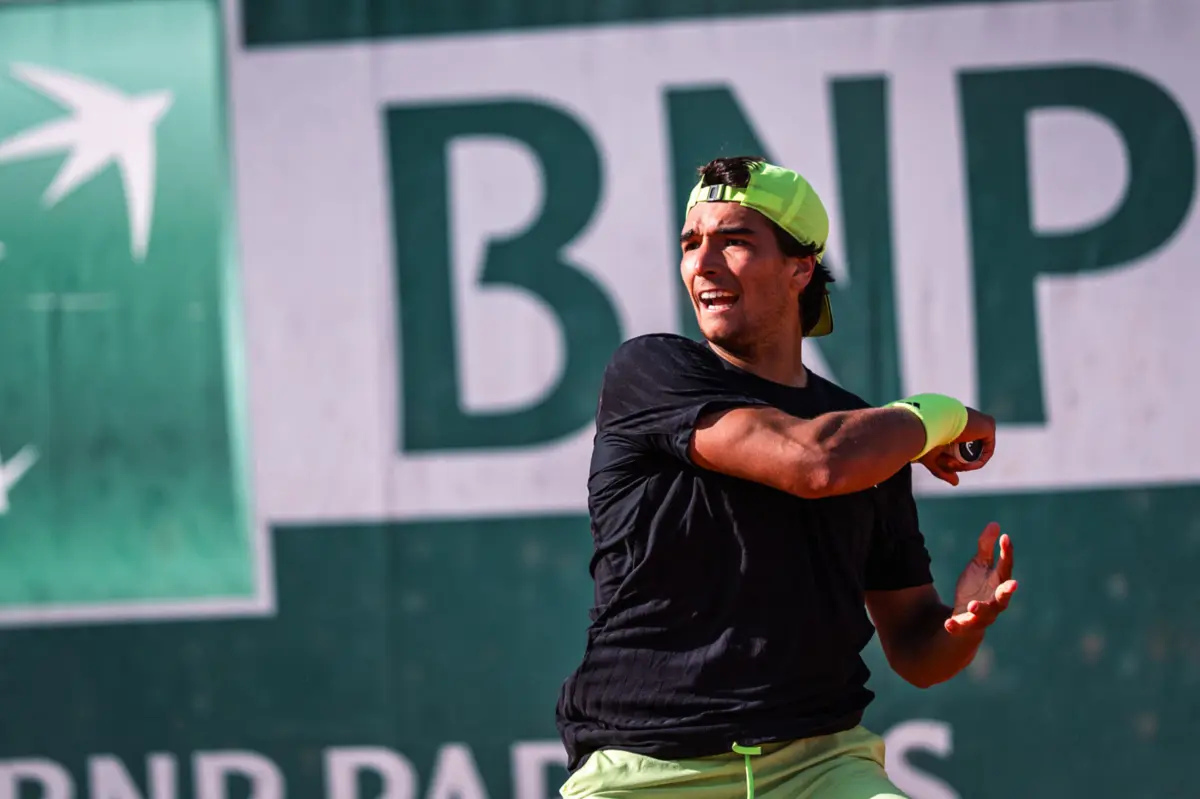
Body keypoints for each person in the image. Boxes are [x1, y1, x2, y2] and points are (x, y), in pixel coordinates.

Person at [554, 156, 1017, 799]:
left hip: (820, 767)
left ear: (801, 269)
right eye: (692, 244)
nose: (703, 264)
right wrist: (943, 415)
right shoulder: (649, 370)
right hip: (649, 767)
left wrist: (963, 625)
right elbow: (814, 465)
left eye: (735, 241)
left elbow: (916, 647)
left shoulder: (866, 436)